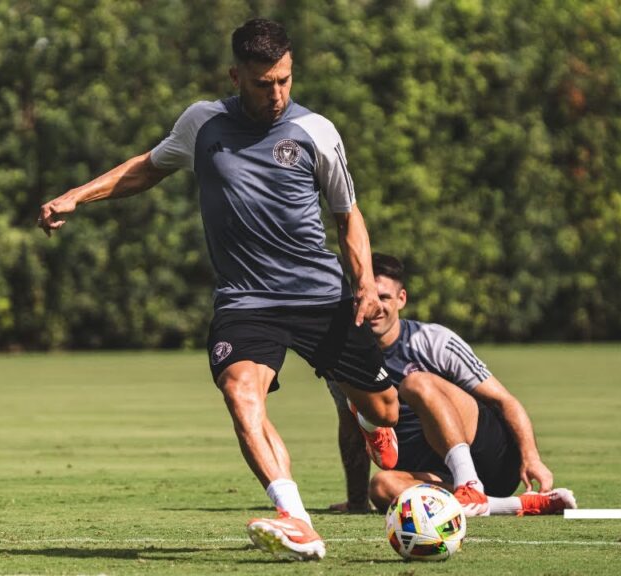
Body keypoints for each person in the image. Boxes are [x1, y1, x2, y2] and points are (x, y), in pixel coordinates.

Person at [38, 18, 401, 561]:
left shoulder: (317, 132)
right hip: (246, 301)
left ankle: (369, 421)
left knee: (386, 409)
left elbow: (347, 216)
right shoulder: (202, 123)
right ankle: (296, 519)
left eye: (284, 80)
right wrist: (77, 196)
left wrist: (365, 285)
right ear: (236, 75)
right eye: (263, 82)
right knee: (240, 392)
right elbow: (146, 168)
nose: (276, 93)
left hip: (319, 297)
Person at [327, 253, 577, 516]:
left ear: (402, 299)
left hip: (491, 460)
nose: (375, 306)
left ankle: (469, 482)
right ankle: (511, 505)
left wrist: (531, 457)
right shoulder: (343, 360)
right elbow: (351, 427)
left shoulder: (433, 341)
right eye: (367, 297)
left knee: (415, 383)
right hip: (439, 475)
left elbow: (505, 401)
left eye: (384, 297)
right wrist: (357, 502)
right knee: (382, 486)